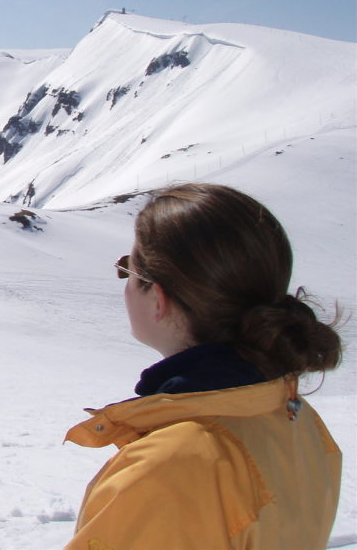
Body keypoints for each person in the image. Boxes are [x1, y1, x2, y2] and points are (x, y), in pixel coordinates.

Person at [65, 183, 343, 549]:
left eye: (128, 270)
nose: (125, 285)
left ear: (158, 298)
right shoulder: (296, 419)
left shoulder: (166, 469)